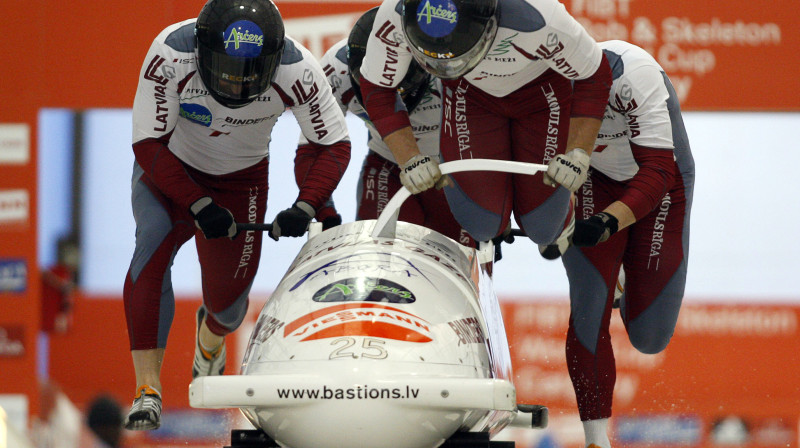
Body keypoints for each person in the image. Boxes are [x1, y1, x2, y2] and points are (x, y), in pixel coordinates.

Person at [123, 0, 351, 430]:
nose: (237, 83)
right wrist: (197, 203)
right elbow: (148, 144)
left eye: (251, 72)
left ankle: (210, 340)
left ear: (272, 60)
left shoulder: (298, 68)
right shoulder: (170, 53)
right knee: (151, 243)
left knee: (228, 308)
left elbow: (333, 144)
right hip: (169, 171)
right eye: (226, 69)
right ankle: (147, 389)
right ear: (203, 51)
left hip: (240, 182)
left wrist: (306, 204)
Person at [356, 0, 612, 249]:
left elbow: (595, 74)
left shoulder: (541, 17)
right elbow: (378, 86)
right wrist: (408, 158)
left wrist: (578, 152)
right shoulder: (396, 12)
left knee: (543, 228)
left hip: (542, 98)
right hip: (469, 93)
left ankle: (562, 212)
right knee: (481, 225)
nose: (444, 65)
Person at [541, 40, 695, 448]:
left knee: (649, 338)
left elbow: (659, 172)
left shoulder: (636, 76)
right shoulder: (541, 85)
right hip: (592, 178)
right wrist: (546, 223)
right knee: (590, 304)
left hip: (660, 181)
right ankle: (597, 439)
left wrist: (610, 222)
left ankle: (623, 269)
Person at [297, 7, 473, 246]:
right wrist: (321, 209)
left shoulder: (449, 62)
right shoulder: (334, 70)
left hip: (455, 169)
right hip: (388, 165)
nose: (398, 100)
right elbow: (315, 147)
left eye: (405, 86)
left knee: (455, 256)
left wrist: (492, 203)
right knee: (378, 255)